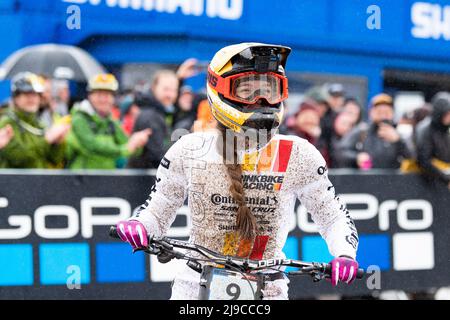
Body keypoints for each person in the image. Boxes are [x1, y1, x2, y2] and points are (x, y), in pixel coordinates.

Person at [115, 43, 360, 300]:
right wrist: (139, 225)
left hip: (270, 289)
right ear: (219, 91)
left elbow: (332, 216)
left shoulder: (300, 154)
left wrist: (344, 253)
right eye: (247, 90)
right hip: (194, 286)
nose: (261, 100)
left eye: (270, 90)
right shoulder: (189, 149)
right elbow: (157, 210)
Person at [65, 73, 151, 169]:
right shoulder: (79, 119)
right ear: (90, 96)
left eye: (107, 95)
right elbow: (92, 146)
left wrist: (137, 143)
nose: (103, 99)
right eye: (99, 94)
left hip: (107, 180)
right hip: (80, 180)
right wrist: (126, 149)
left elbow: (126, 143)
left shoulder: (111, 122)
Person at [0, 72, 69, 168]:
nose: (31, 98)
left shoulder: (40, 125)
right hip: (14, 181)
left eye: (35, 94)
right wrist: (47, 139)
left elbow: (54, 159)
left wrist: (58, 143)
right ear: (16, 98)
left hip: (38, 181)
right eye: (26, 94)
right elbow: (19, 158)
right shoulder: (6, 122)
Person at [337, 93, 411, 169]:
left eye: (386, 112)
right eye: (379, 112)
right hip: (366, 178)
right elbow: (341, 152)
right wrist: (357, 157)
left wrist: (398, 140)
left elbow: (411, 157)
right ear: (371, 112)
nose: (383, 116)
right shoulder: (362, 131)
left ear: (392, 113)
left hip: (392, 179)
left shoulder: (399, 133)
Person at [127, 70, 179, 169]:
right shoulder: (150, 115)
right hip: (142, 180)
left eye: (174, 90)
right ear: (154, 88)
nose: (170, 95)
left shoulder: (159, 111)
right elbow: (159, 156)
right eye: (166, 89)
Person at [415, 92, 450, 189]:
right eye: (447, 113)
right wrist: (445, 178)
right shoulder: (425, 129)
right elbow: (424, 160)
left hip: (441, 180)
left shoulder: (445, 129)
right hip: (429, 183)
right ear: (440, 113)